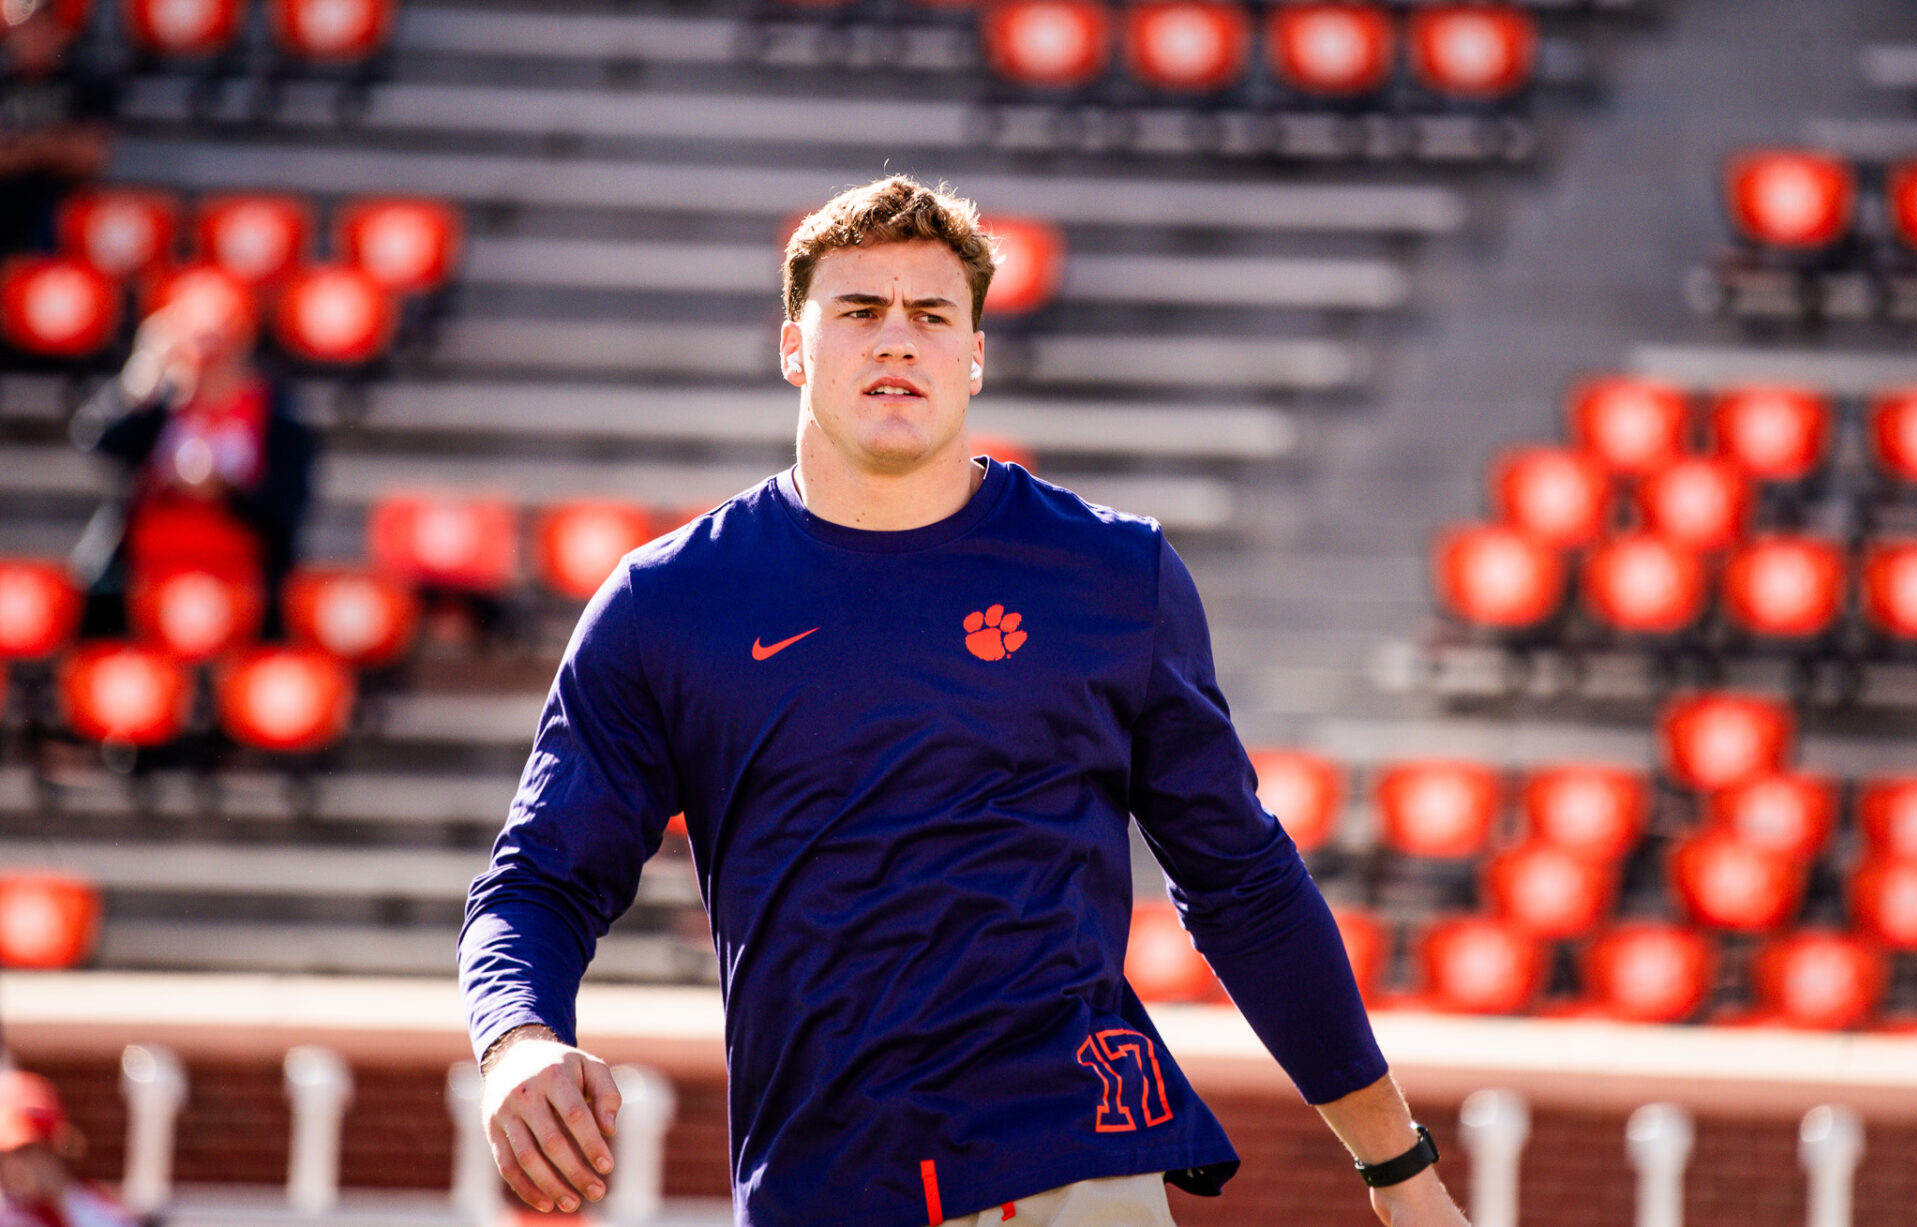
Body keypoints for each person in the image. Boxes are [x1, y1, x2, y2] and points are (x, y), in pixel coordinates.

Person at [460, 175, 1468, 1227]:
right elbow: (538, 882)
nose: (898, 339)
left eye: (932, 315)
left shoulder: (1112, 574)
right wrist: (517, 1038)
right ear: (794, 347)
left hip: (1079, 1168)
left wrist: (1403, 1175)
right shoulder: (669, 603)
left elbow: (1244, 884)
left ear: (975, 355)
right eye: (860, 311)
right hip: (823, 1188)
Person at [68, 279, 316, 640]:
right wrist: (144, 376)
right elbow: (99, 441)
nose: (209, 361)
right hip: (144, 577)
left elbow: (287, 506)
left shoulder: (276, 418)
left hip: (242, 581)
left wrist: (225, 491)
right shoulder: (159, 409)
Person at [0, 0, 114, 258]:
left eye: (46, 27)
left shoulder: (84, 81)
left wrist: (20, 148)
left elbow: (90, 158)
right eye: (28, 28)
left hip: (59, 212)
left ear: (63, 34)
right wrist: (52, 147)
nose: (36, 37)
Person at [0, 1068, 138, 1227]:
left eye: (30, 1151)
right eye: (8, 1154)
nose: (18, 1166)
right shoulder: (6, 1210)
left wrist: (59, 1196)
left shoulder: (86, 1202)